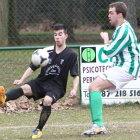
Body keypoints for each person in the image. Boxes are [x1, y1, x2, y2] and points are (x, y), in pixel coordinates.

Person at [0, 24, 79, 139]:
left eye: (60, 34)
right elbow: (33, 67)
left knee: (47, 101)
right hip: (41, 82)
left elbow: (75, 75)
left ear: (66, 36)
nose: (57, 37)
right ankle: (3, 99)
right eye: (55, 35)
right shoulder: (46, 52)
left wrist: (74, 89)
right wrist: (21, 79)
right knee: (24, 88)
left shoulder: (71, 54)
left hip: (57, 87)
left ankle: (38, 130)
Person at [82, 2, 139, 135]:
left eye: (111, 13)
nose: (108, 15)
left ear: (120, 15)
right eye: (108, 12)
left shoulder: (123, 30)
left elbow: (109, 52)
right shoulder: (122, 27)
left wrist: (105, 39)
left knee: (94, 87)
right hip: (123, 67)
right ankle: (97, 125)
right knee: (92, 87)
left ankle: (98, 125)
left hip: (126, 68)